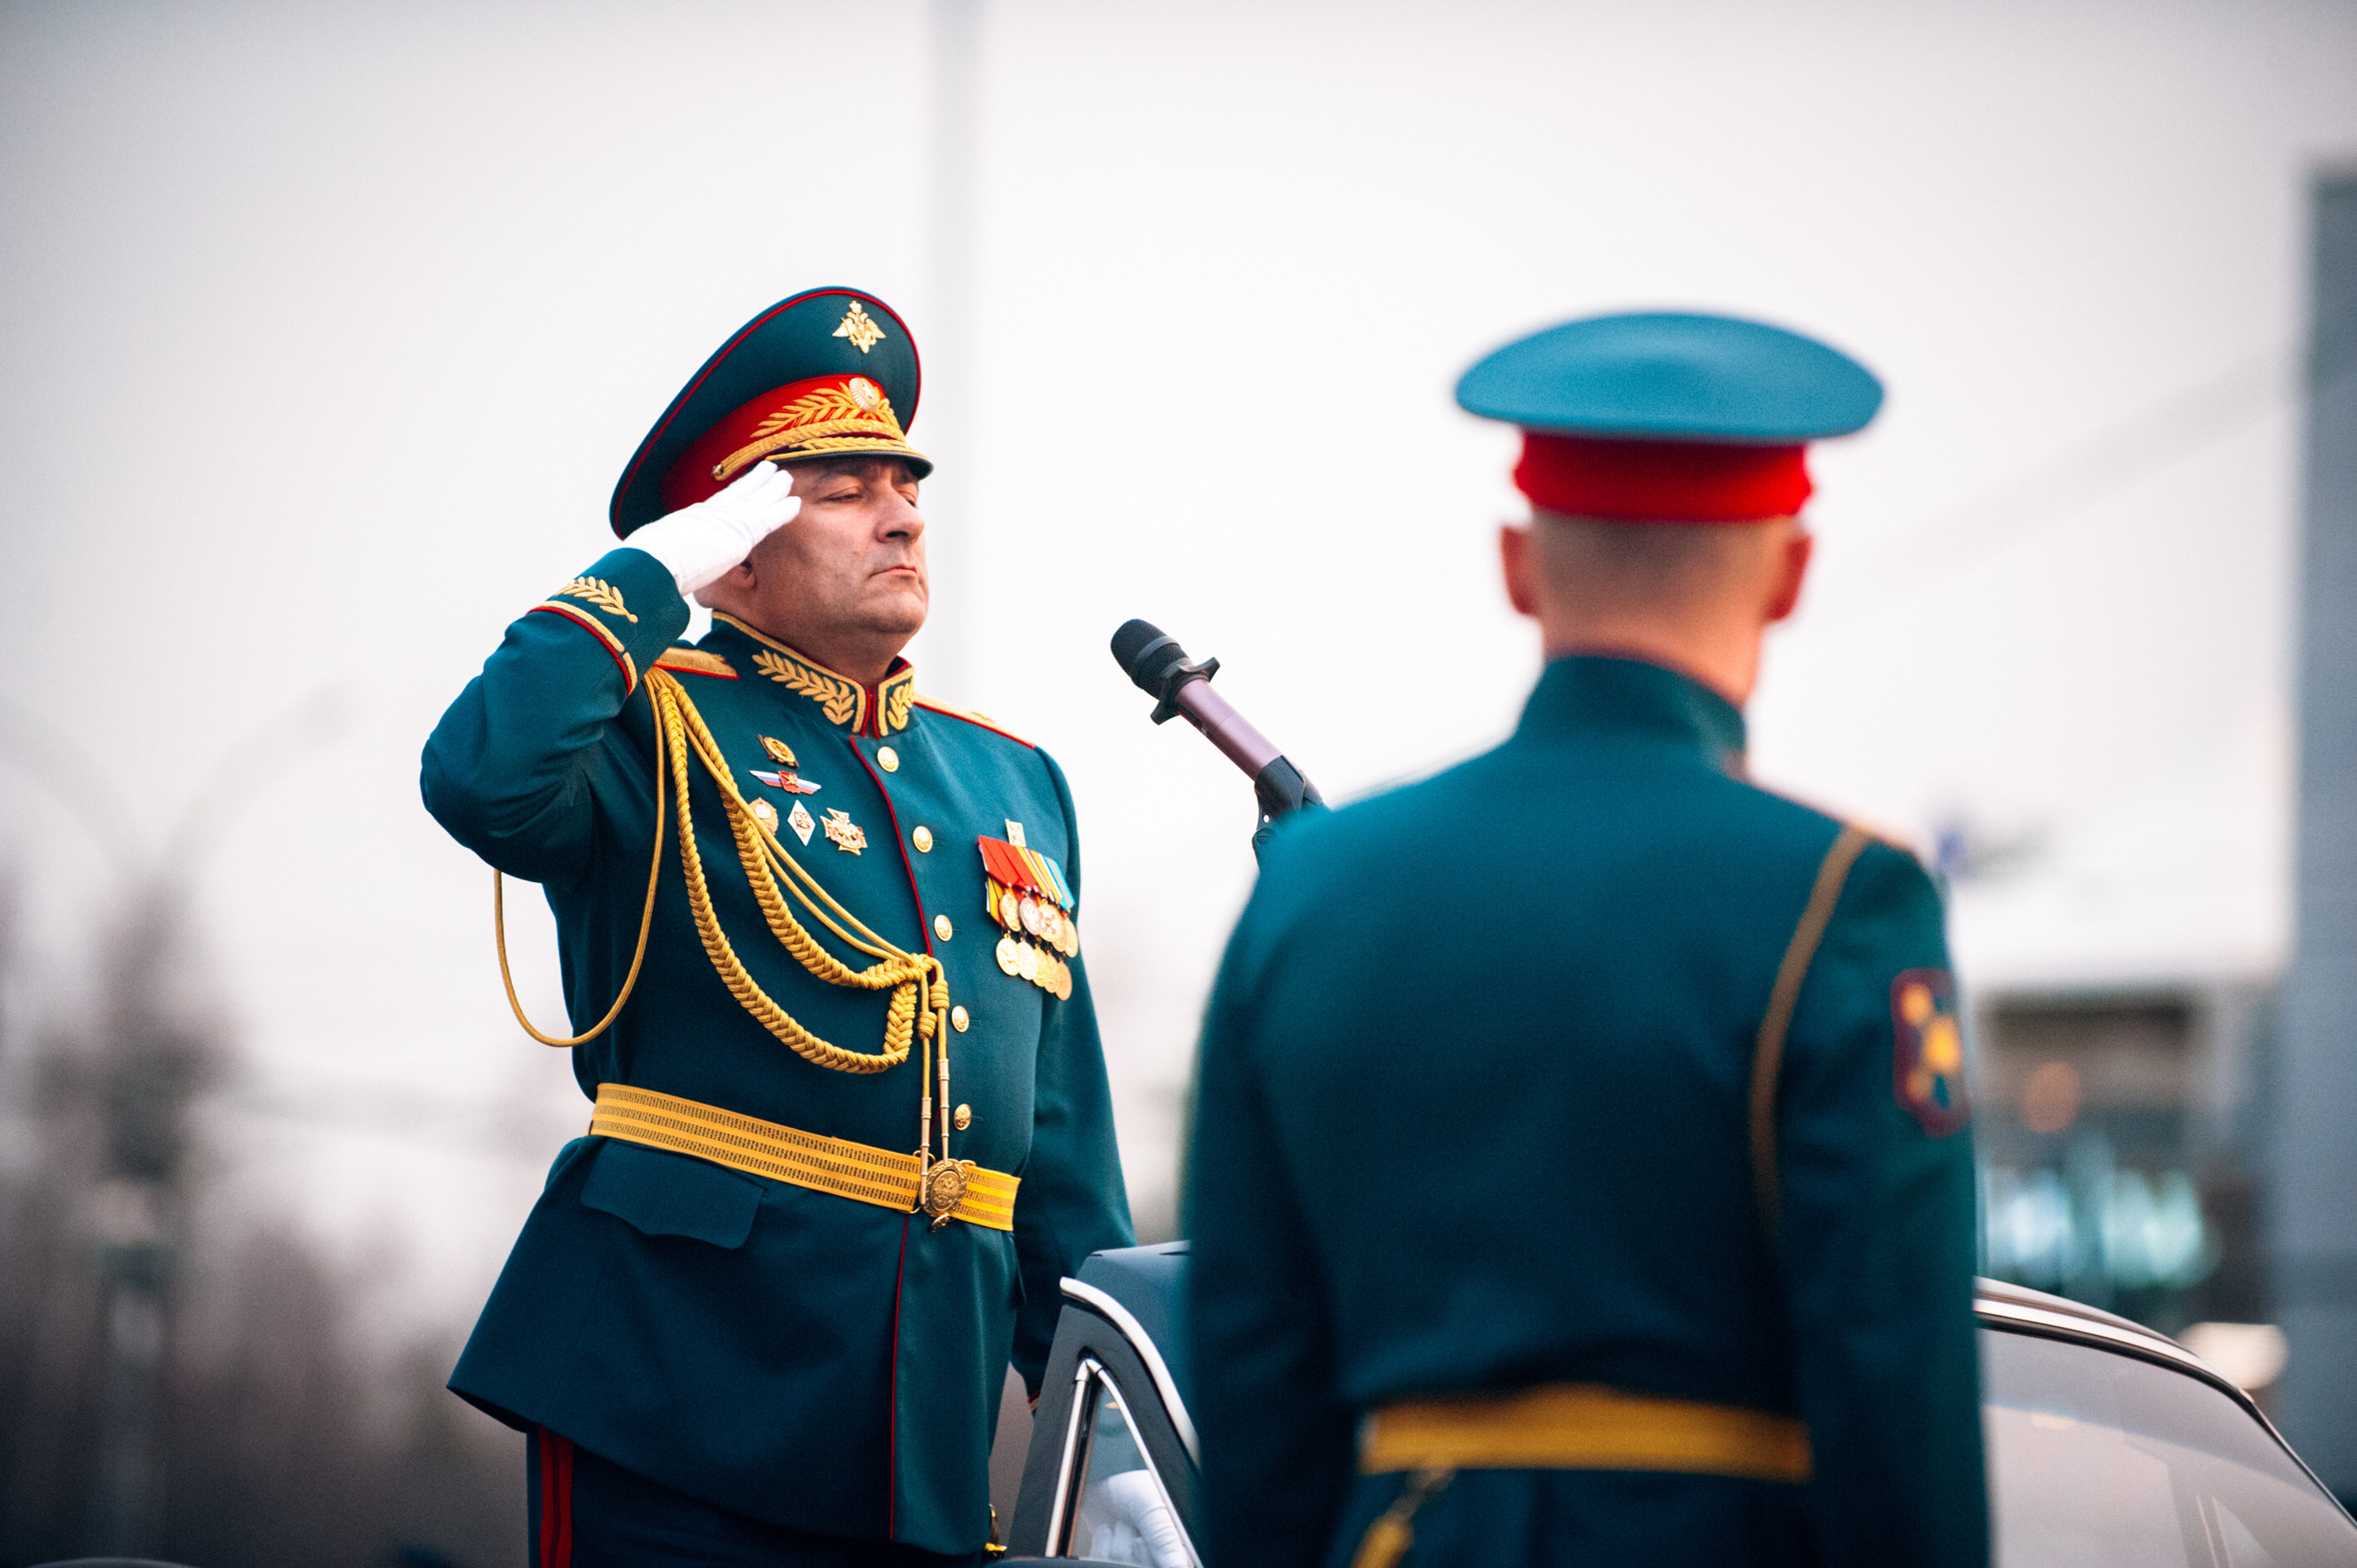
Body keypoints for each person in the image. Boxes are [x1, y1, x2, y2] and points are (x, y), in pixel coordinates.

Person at [1185, 312, 1986, 1568]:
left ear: (1517, 565)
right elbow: (1897, 1383)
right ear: (1790, 574)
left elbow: (1248, 1369)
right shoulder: (1844, 895)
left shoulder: (1314, 890)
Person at [422, 286, 1132, 1567]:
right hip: (677, 1399)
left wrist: (1117, 1419)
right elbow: (483, 776)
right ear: (733, 548)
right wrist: (646, 578)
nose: (905, 513)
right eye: (845, 489)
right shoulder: (649, 723)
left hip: (923, 1419)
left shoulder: (1013, 781)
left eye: (905, 483)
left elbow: (1059, 1150)